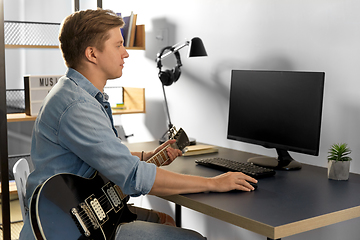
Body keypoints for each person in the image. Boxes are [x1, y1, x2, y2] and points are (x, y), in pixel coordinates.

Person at [19, 9, 257, 240]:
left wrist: (145, 156)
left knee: (166, 220)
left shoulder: (76, 92)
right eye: (118, 45)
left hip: (83, 209)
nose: (126, 53)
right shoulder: (77, 106)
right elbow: (135, 178)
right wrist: (213, 183)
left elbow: (101, 154)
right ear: (92, 54)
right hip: (70, 225)